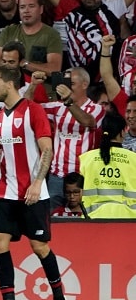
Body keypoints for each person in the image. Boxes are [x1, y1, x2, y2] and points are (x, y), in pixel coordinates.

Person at [0, 66, 67, 300]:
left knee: (39, 246)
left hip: (32, 191)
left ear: (10, 84)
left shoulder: (33, 111)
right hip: (5, 191)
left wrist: (37, 183)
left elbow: (47, 149)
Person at [31, 67, 105, 210]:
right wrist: (33, 85)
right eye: (65, 83)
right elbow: (27, 107)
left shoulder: (96, 108)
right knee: (51, 217)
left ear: (84, 84)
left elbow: (87, 121)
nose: (67, 87)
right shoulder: (57, 107)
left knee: (84, 217)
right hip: (57, 176)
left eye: (71, 84)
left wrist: (68, 101)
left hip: (83, 176)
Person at [80, 111, 136, 218]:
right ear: (122, 132)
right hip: (129, 220)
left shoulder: (86, 159)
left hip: (93, 219)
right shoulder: (134, 159)